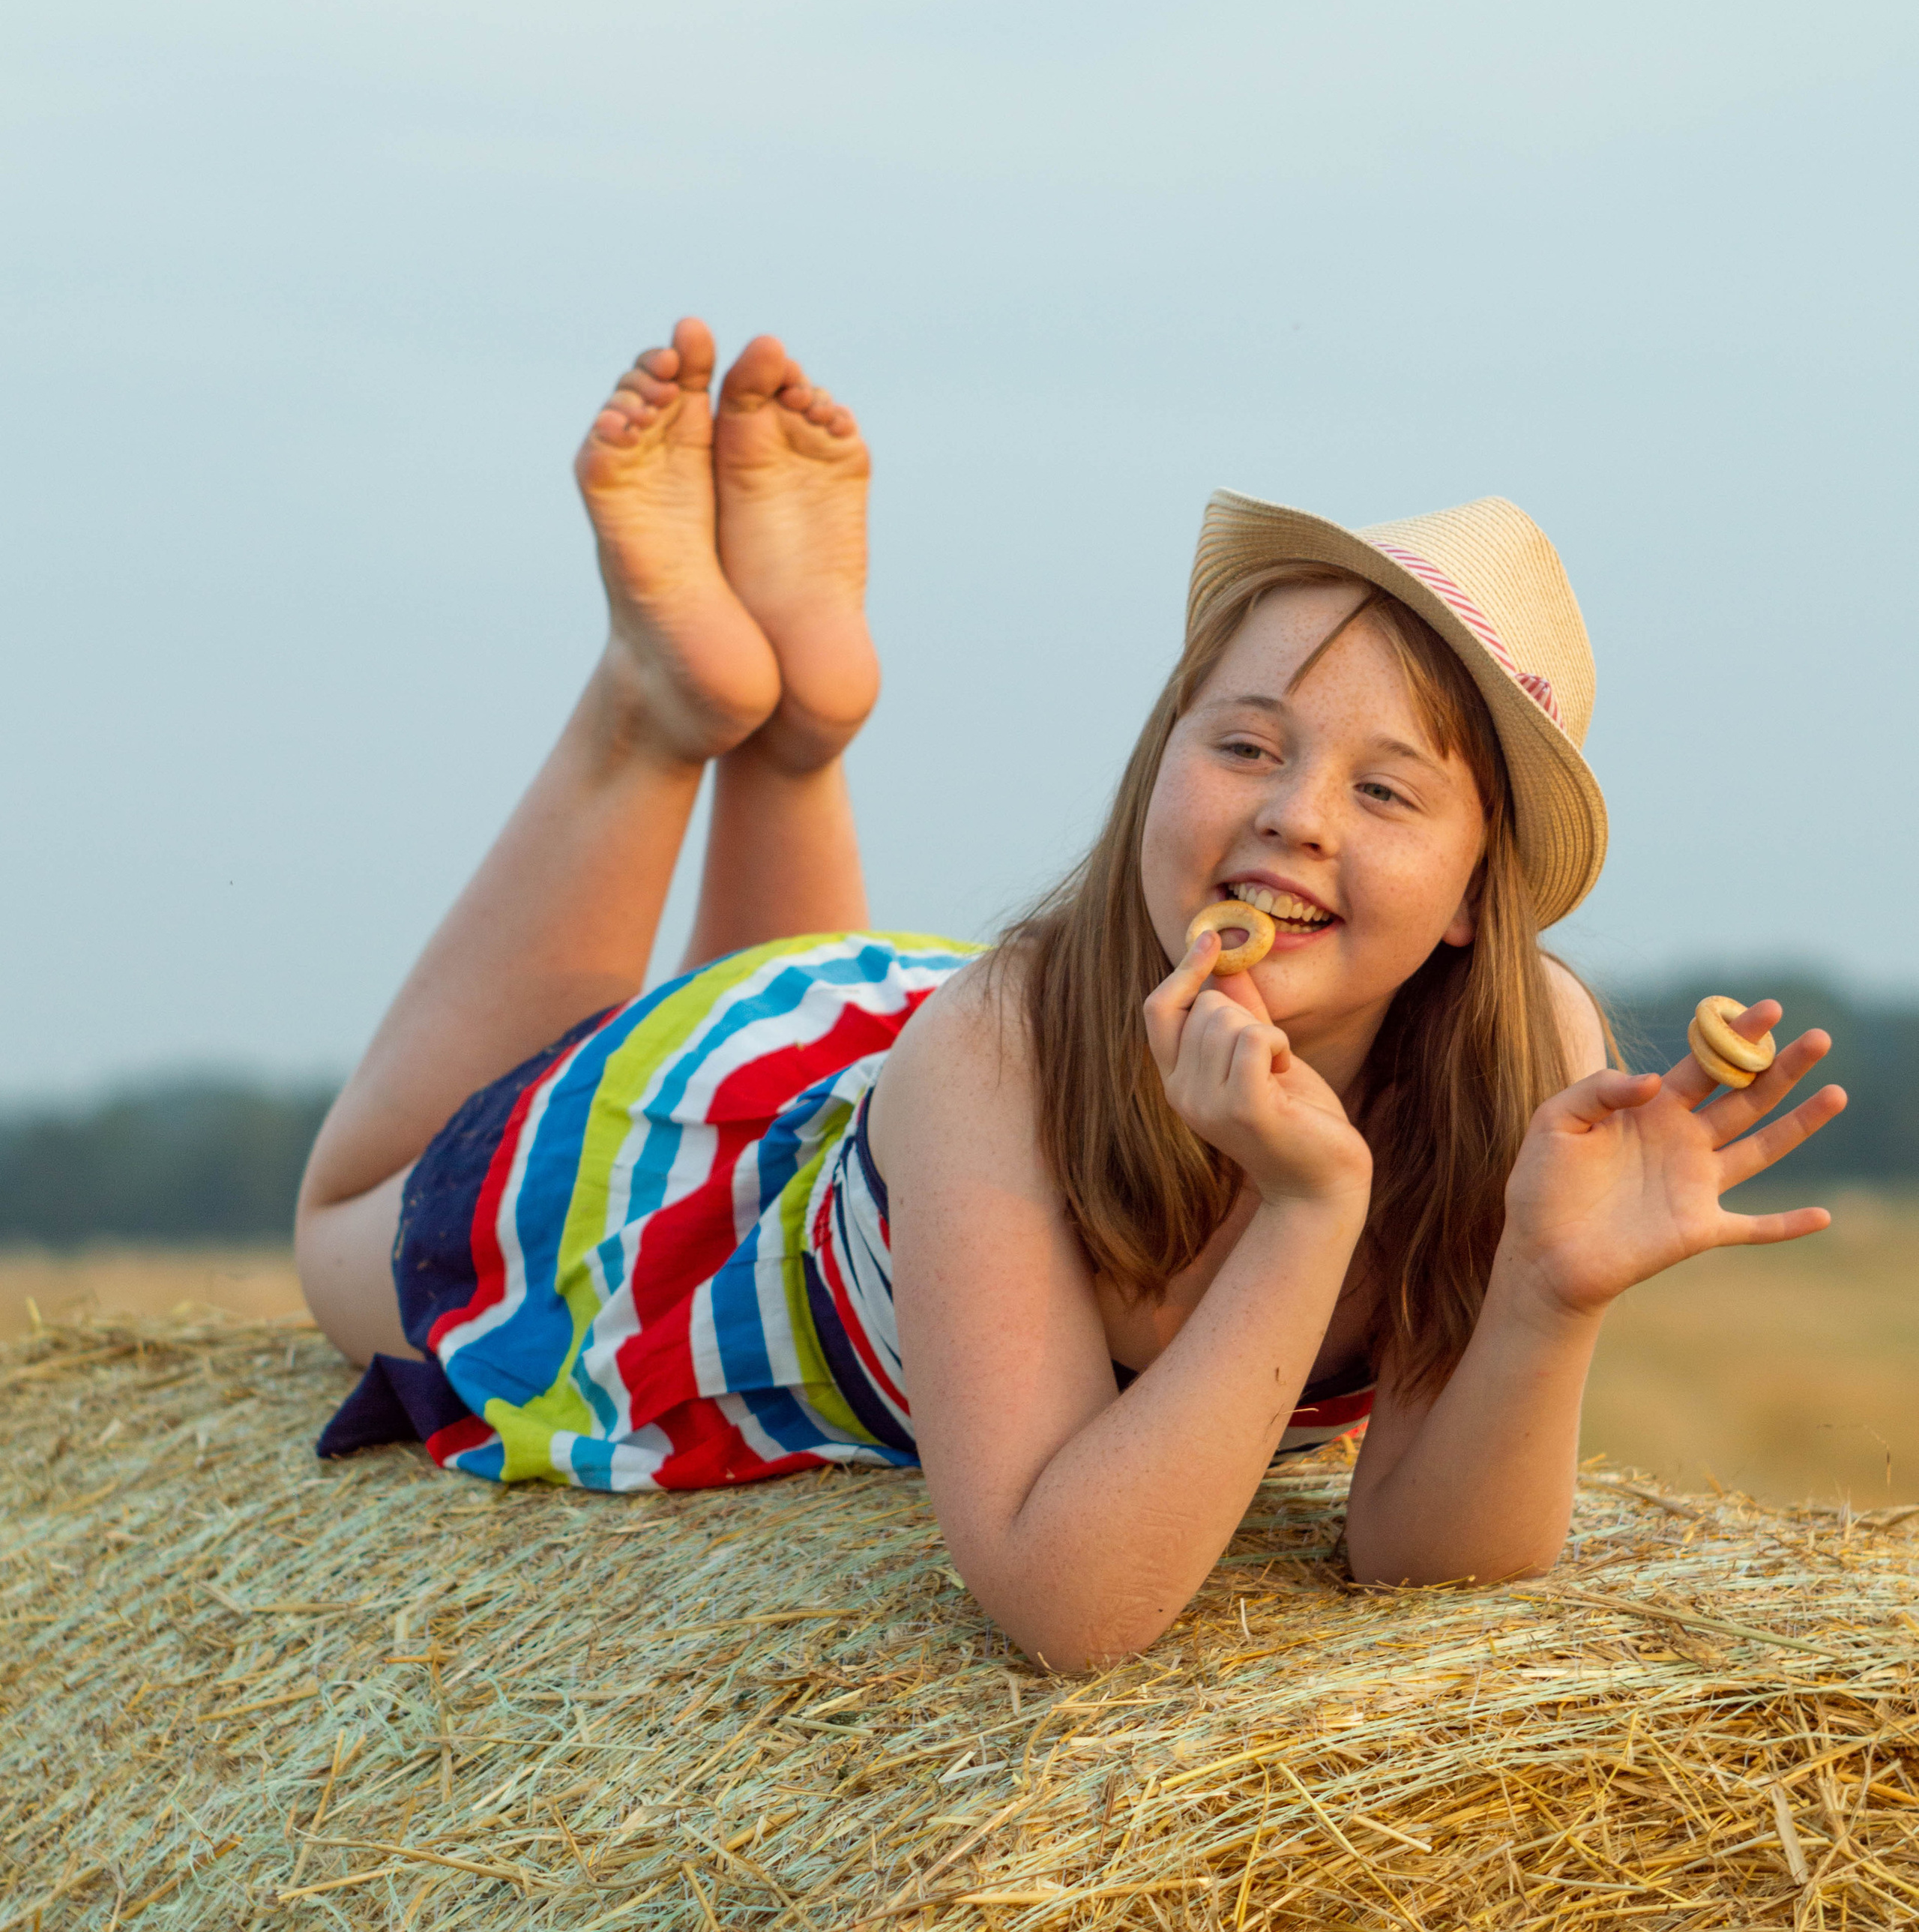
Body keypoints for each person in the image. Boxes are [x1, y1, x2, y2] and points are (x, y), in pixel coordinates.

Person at [299, 319, 1845, 1670]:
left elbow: (1420, 1558)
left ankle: (789, 734)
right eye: (1245, 743)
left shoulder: (1518, 1074)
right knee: (338, 1233)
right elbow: (1063, 1597)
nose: (1294, 813)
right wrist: (1309, 1213)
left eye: (1385, 792)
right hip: (708, 1171)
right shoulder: (999, 1054)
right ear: (1157, 762)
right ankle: (652, 709)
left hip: (890, 1117)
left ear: (1471, 902)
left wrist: (1541, 1296)